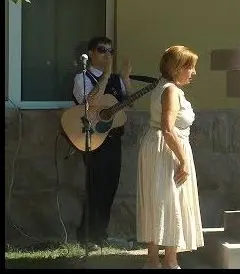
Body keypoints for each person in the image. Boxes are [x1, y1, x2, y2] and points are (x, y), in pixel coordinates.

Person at [137, 45, 204, 269]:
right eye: (190, 67)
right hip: (167, 148)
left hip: (158, 146)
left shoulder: (162, 86)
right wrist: (183, 160)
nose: (193, 72)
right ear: (177, 68)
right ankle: (170, 262)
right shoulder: (171, 90)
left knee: (158, 200)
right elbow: (168, 128)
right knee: (170, 200)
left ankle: (153, 260)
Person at [72, 36, 132, 251]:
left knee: (110, 187)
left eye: (110, 51)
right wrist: (106, 76)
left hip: (114, 138)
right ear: (91, 52)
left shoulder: (115, 79)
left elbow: (126, 104)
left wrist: (125, 79)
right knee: (95, 186)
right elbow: (89, 102)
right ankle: (87, 235)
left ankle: (101, 234)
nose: (107, 54)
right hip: (93, 139)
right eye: (102, 50)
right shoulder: (83, 77)